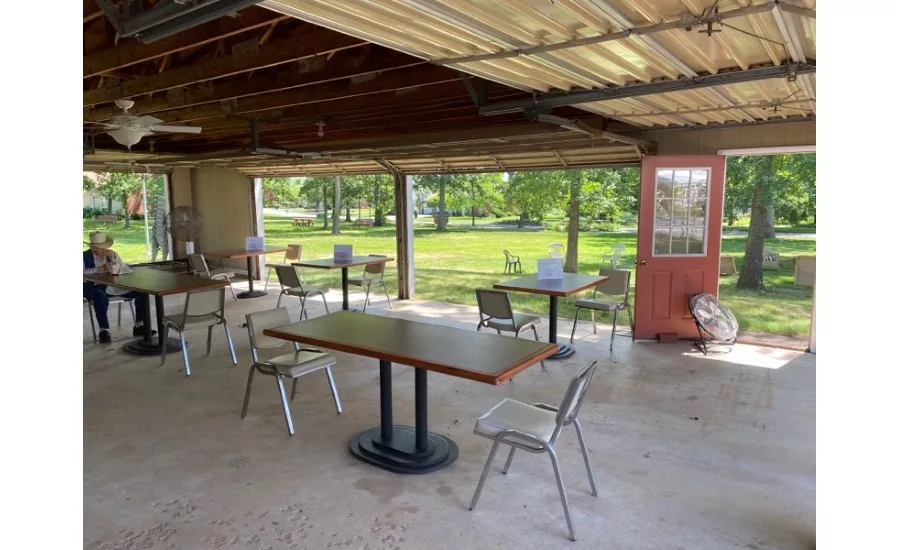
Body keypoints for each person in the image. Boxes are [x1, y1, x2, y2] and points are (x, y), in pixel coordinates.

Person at [83, 231, 151, 343]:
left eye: (104, 247)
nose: (103, 250)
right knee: (99, 296)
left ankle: (139, 325)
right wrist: (97, 269)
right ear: (92, 248)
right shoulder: (84, 257)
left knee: (142, 292)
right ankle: (104, 330)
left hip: (114, 285)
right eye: (100, 248)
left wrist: (113, 260)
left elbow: (125, 270)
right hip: (93, 287)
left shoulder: (111, 254)